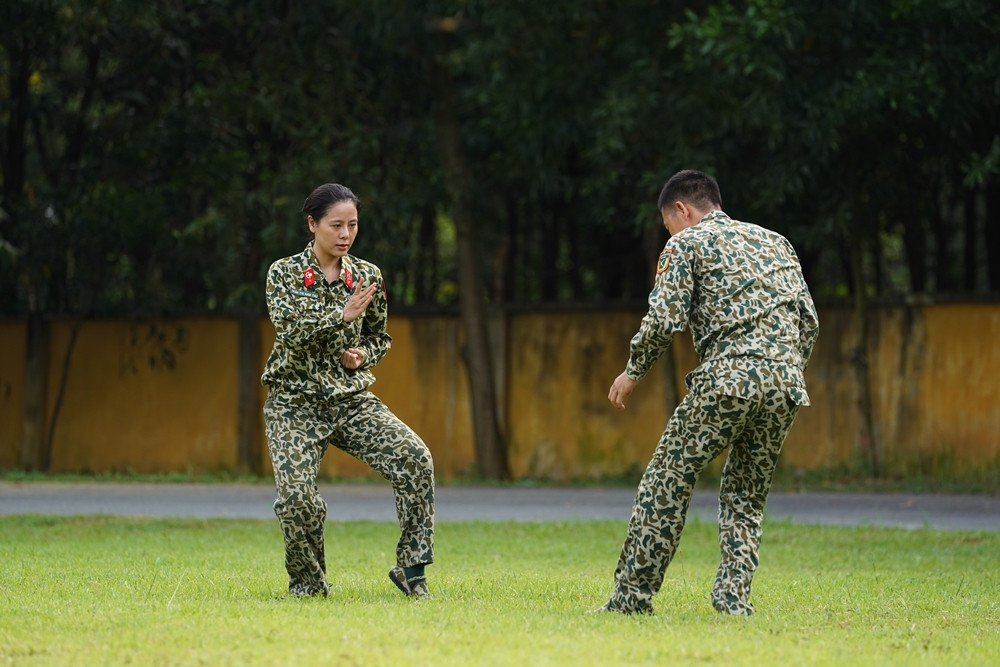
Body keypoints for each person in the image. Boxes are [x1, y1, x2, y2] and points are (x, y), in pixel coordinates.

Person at [595, 169, 819, 616]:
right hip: (786, 383)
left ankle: (631, 599)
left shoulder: (687, 243)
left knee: (667, 480)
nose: (669, 235)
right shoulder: (776, 242)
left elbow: (663, 318)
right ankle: (733, 601)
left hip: (728, 379)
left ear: (682, 210)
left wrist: (632, 372)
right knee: (746, 495)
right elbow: (808, 321)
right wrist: (783, 370)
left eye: (667, 226)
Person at [261, 183, 435, 599]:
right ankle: (308, 584)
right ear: (312, 224)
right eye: (336, 225)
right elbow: (290, 332)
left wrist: (362, 354)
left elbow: (380, 337)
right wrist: (341, 316)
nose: (345, 234)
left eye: (352, 225)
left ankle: (412, 569)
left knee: (415, 459)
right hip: (293, 402)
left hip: (350, 400)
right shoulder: (283, 273)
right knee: (296, 500)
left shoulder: (367, 276)